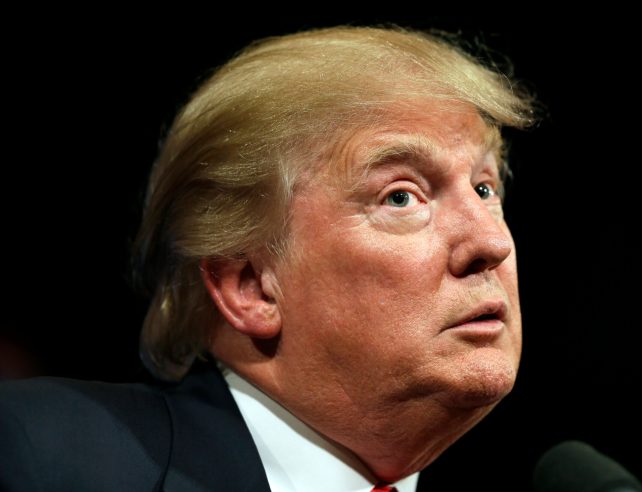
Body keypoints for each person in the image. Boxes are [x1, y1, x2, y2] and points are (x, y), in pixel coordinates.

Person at [0, 25, 535, 491]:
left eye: (485, 189)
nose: (492, 243)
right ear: (250, 286)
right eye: (400, 196)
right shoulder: (41, 454)